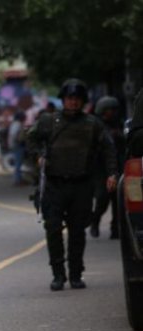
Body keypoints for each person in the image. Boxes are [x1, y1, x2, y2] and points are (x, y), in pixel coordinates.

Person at [27, 78, 117, 291]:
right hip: (54, 185)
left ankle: (76, 274)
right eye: (69, 99)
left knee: (78, 232)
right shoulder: (49, 121)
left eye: (77, 99)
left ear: (83, 101)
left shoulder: (92, 124)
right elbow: (30, 138)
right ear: (63, 100)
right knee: (53, 229)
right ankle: (58, 274)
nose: (73, 103)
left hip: (81, 185)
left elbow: (108, 149)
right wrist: (39, 156)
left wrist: (112, 173)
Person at [89, 96, 124, 239]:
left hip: (117, 166)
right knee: (102, 198)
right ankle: (95, 221)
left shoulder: (118, 124)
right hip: (100, 168)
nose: (112, 113)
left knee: (118, 200)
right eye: (109, 110)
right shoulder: (96, 125)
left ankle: (115, 229)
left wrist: (119, 136)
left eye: (114, 110)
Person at [7, 111, 28, 185]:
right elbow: (14, 135)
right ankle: (18, 180)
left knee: (18, 163)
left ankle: (19, 179)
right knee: (18, 164)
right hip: (18, 145)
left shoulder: (15, 124)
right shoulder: (17, 124)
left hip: (16, 145)